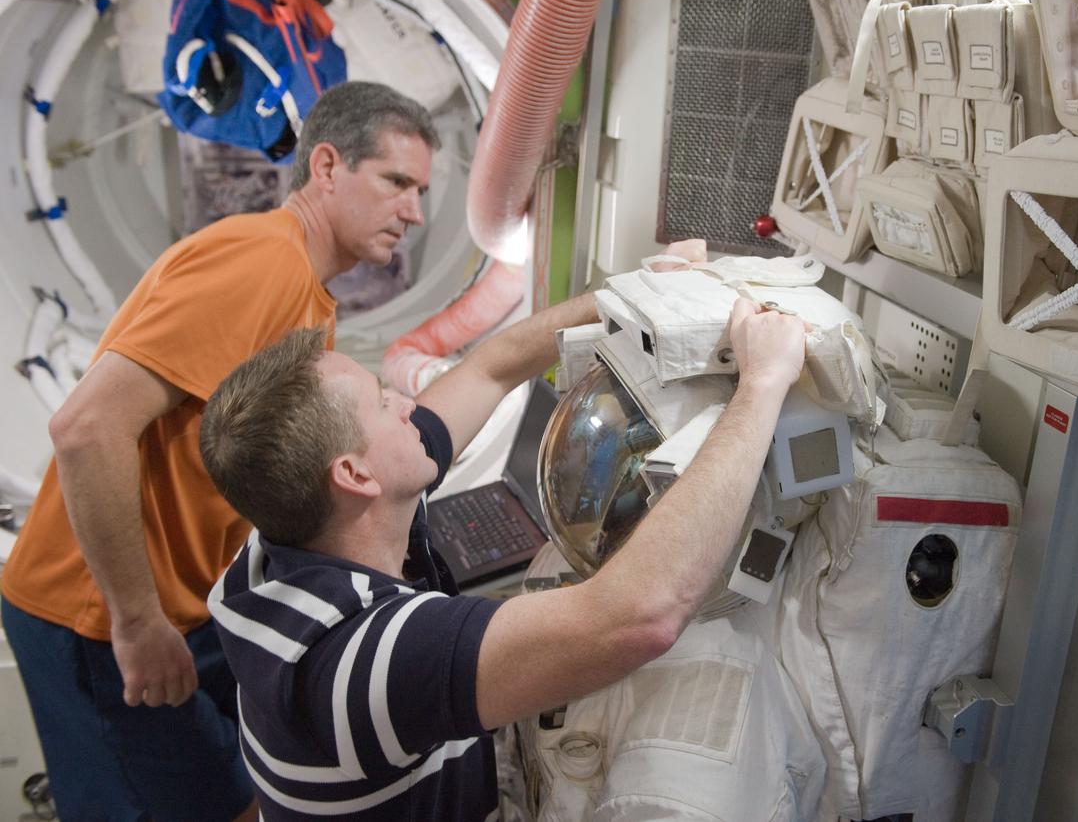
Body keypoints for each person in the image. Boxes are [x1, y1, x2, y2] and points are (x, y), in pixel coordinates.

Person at [0, 81, 438, 822]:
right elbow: (86, 429)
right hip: (98, 611)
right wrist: (137, 622)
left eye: (423, 190)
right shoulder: (257, 265)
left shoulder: (307, 289)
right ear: (326, 166)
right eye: (397, 181)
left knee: (237, 798)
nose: (416, 212)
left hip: (174, 603)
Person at [199, 295, 805, 819]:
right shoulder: (356, 664)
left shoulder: (288, 536)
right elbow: (641, 617)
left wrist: (633, 293)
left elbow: (491, 368)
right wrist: (762, 385)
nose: (408, 403)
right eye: (383, 403)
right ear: (355, 475)